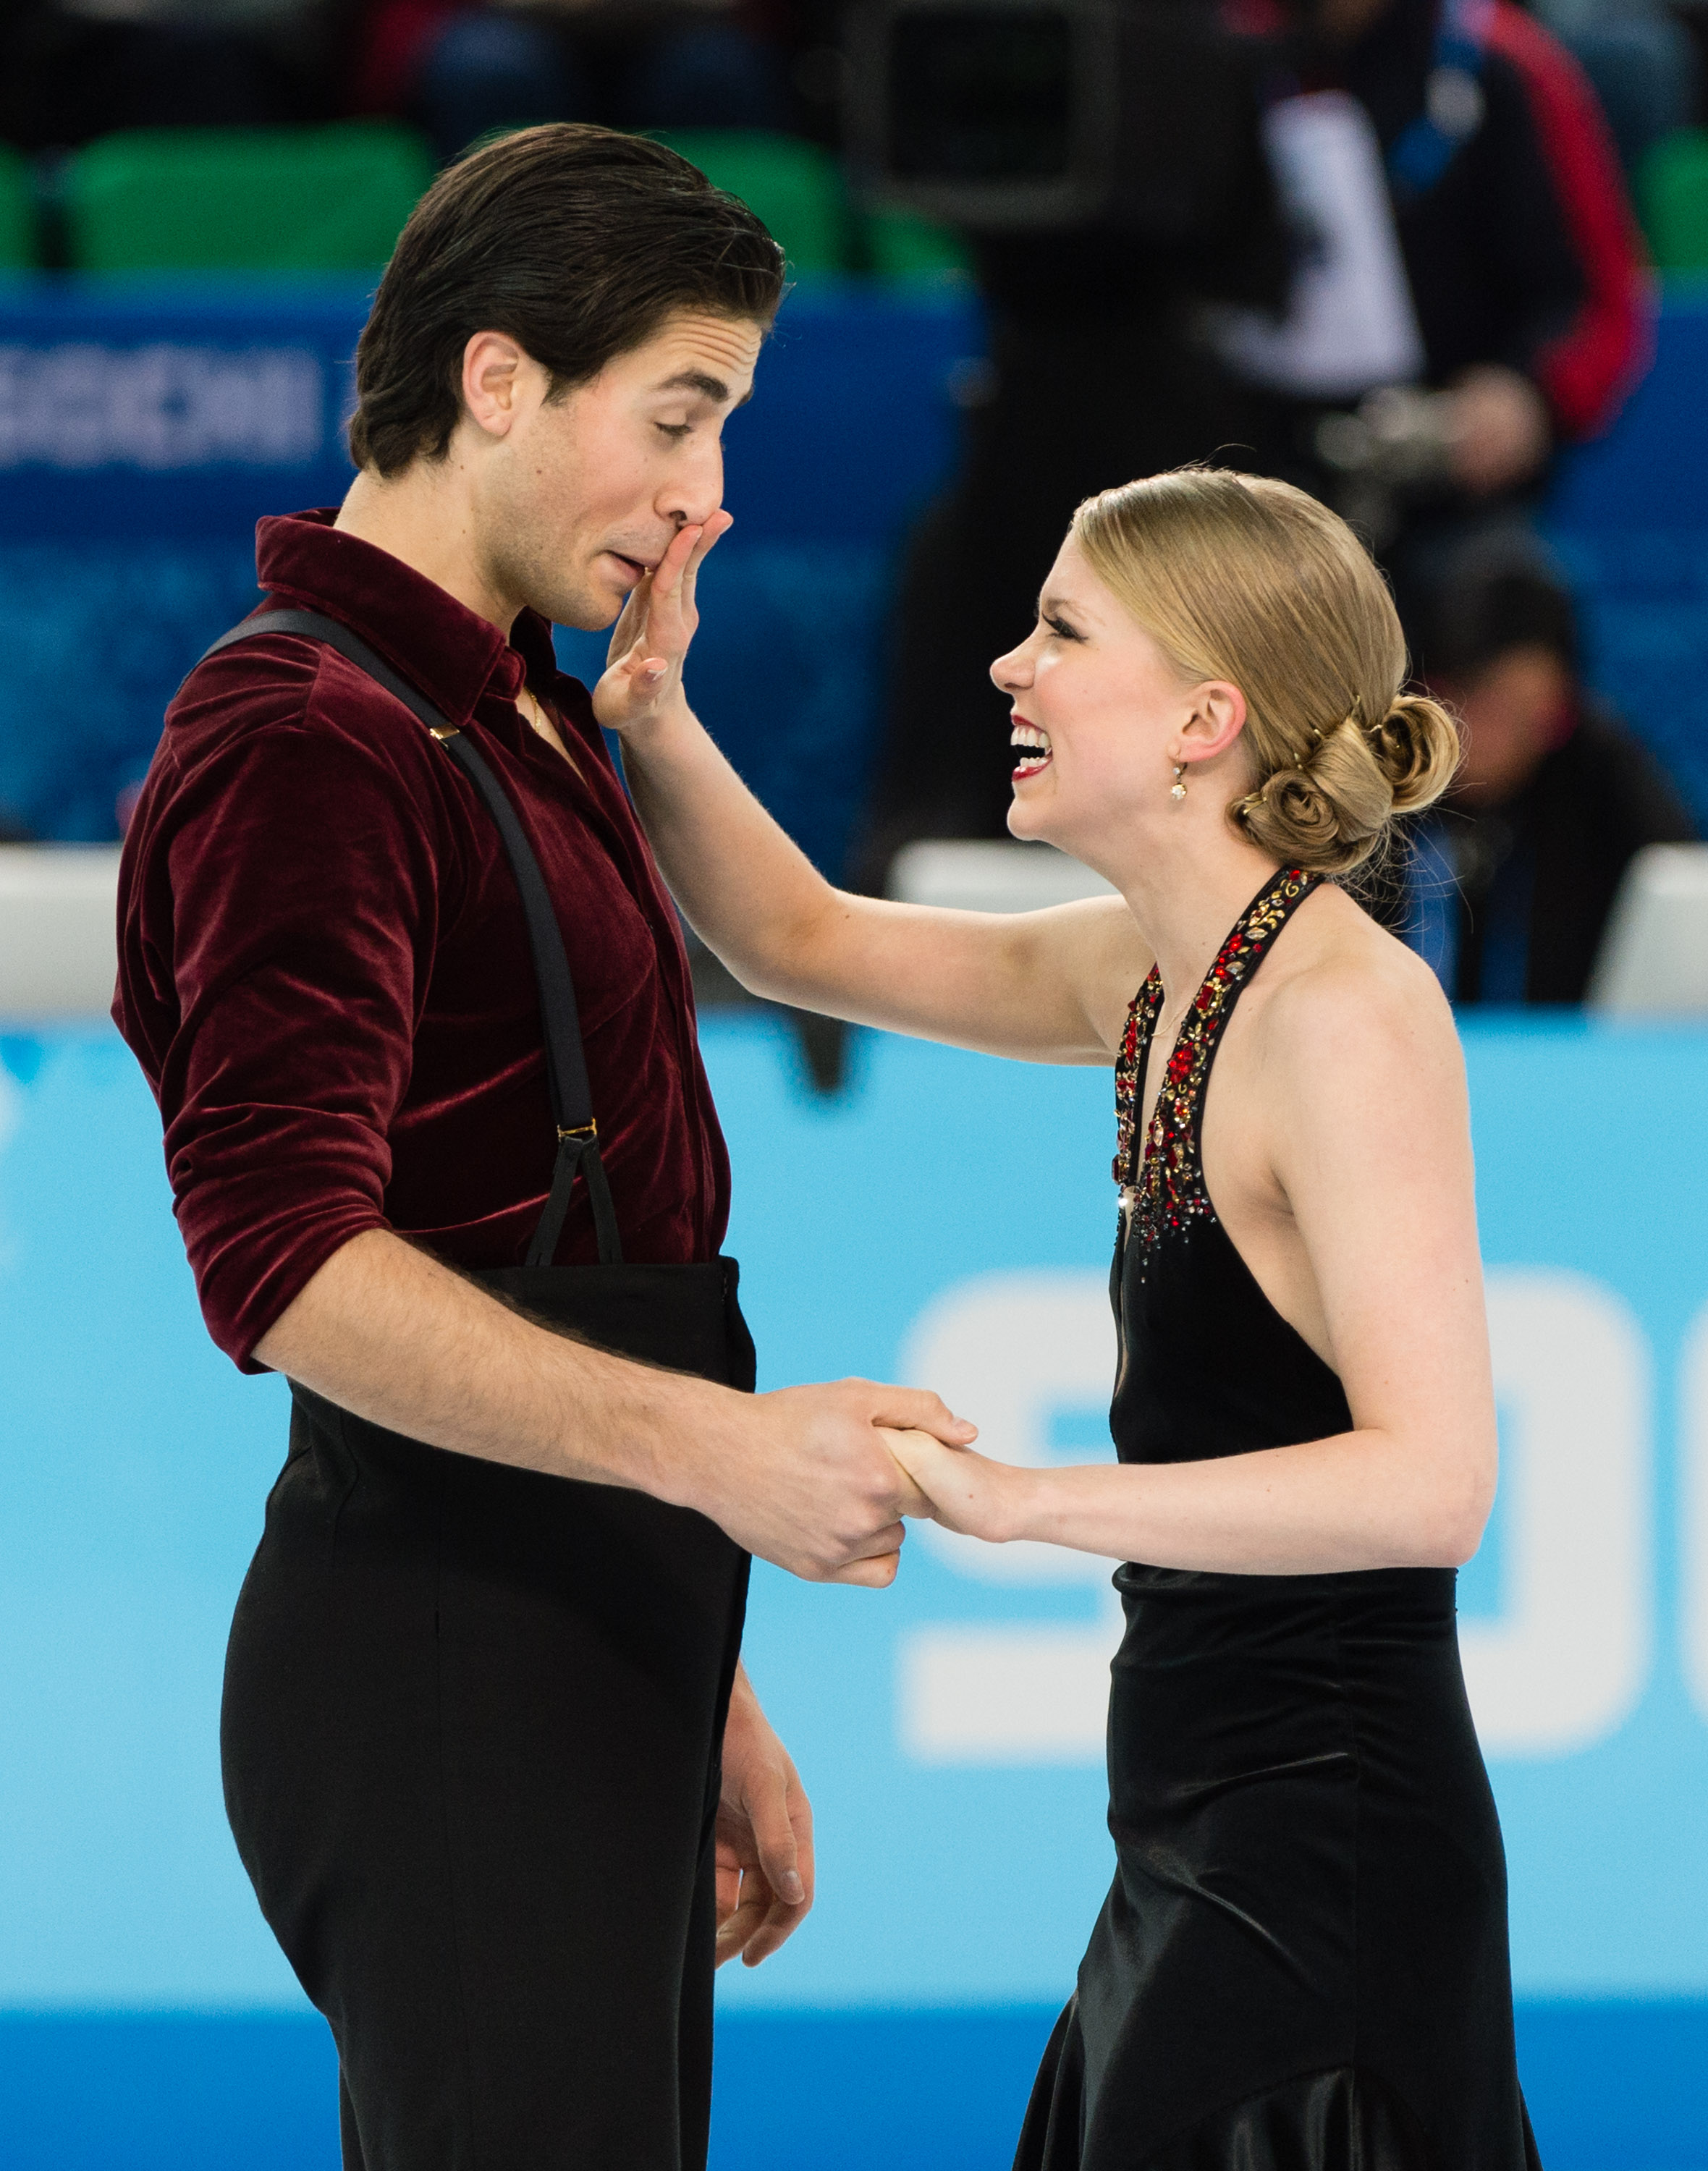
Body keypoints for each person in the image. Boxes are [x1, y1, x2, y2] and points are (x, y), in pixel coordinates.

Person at [111, 123, 972, 2171]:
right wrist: (721, 1464)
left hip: (568, 1623)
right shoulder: (300, 738)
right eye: (679, 416)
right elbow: (286, 1263)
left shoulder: (505, 708)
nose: (711, 496)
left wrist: (702, 1675)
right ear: (497, 379)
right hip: (439, 1649)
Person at [599, 465, 1540, 2165]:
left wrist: (1027, 1500)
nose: (1004, 669)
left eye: (1059, 629)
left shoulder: (1346, 1014)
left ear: (1205, 715)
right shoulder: (1156, 967)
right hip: (1193, 1841)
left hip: (1323, 1859)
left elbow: (1432, 1482)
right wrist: (652, 711)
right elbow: (798, 936)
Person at [855, 0, 1649, 892]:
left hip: (1416, 485)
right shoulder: (1191, 46)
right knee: (965, 556)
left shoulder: (1493, 66)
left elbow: (1600, 310)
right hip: (1193, 452)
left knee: (1498, 610)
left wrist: (1524, 399)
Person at [1401, 529, 1697, 1002]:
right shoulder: (1374, 775)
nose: (1497, 740)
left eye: (1532, 716)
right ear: (1425, 694)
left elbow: (1682, 890)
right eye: (1480, 707)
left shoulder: (1599, 770)